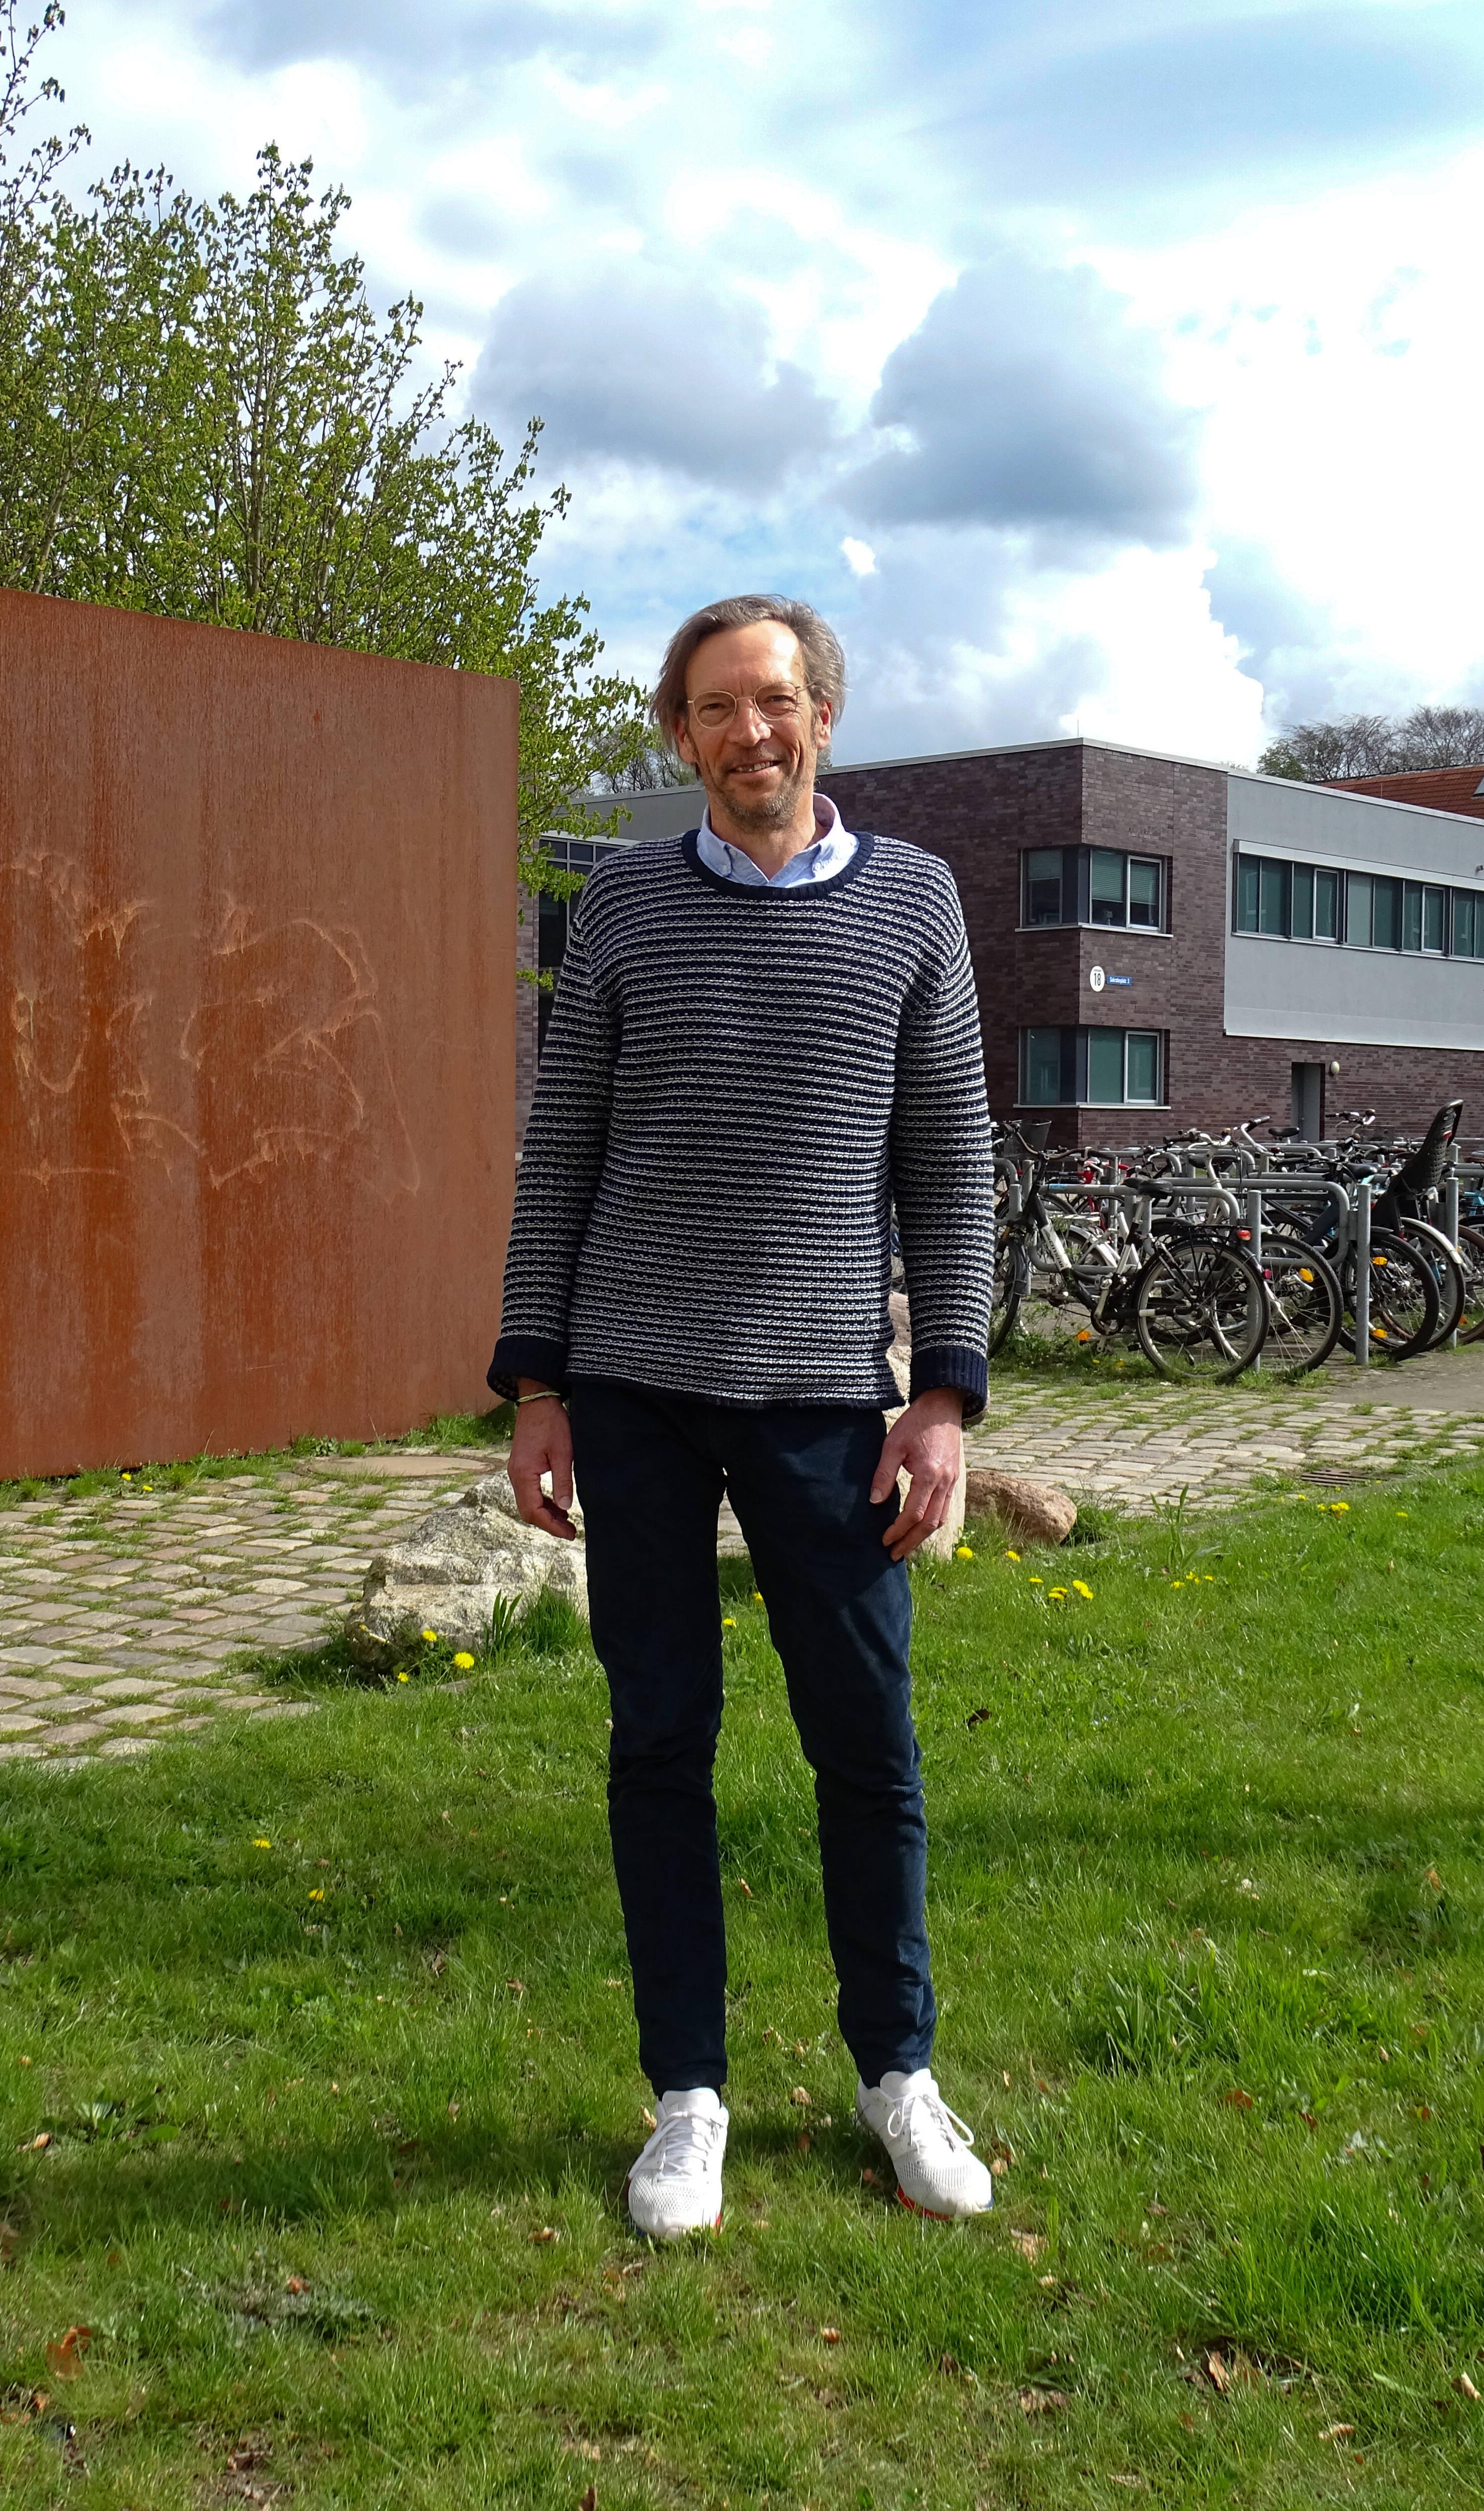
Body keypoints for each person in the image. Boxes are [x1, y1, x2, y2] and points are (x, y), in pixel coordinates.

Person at [489, 594, 994, 2239]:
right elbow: (560, 1148)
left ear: (823, 713)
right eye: (715, 709)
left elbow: (949, 1165)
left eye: (773, 701)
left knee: (870, 1749)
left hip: (829, 1404)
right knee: (659, 1749)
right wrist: (540, 1384)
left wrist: (944, 1399)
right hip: (634, 1396)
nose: (750, 733)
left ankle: (895, 2074)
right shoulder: (625, 905)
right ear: (680, 733)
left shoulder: (916, 904)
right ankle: (687, 2098)